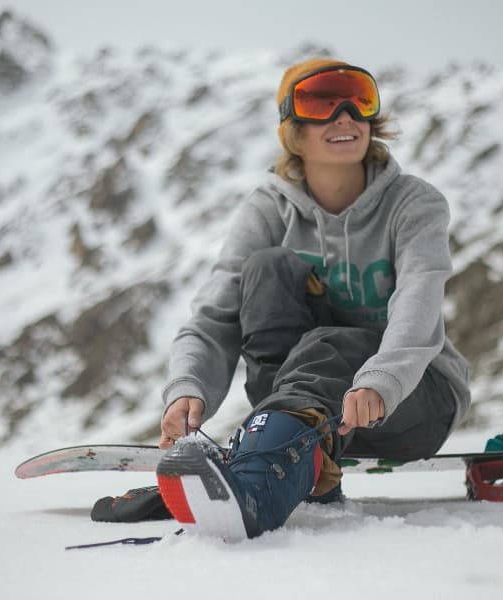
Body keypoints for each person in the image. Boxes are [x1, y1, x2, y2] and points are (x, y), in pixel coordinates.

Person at [142, 58, 469, 540]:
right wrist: (188, 387)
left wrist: (380, 380)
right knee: (266, 268)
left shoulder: (414, 204)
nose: (344, 116)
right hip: (313, 409)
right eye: (320, 102)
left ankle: (259, 492)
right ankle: (289, 450)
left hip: (411, 397)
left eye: (358, 100)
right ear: (292, 128)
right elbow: (215, 314)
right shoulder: (270, 208)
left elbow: (419, 302)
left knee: (335, 342)